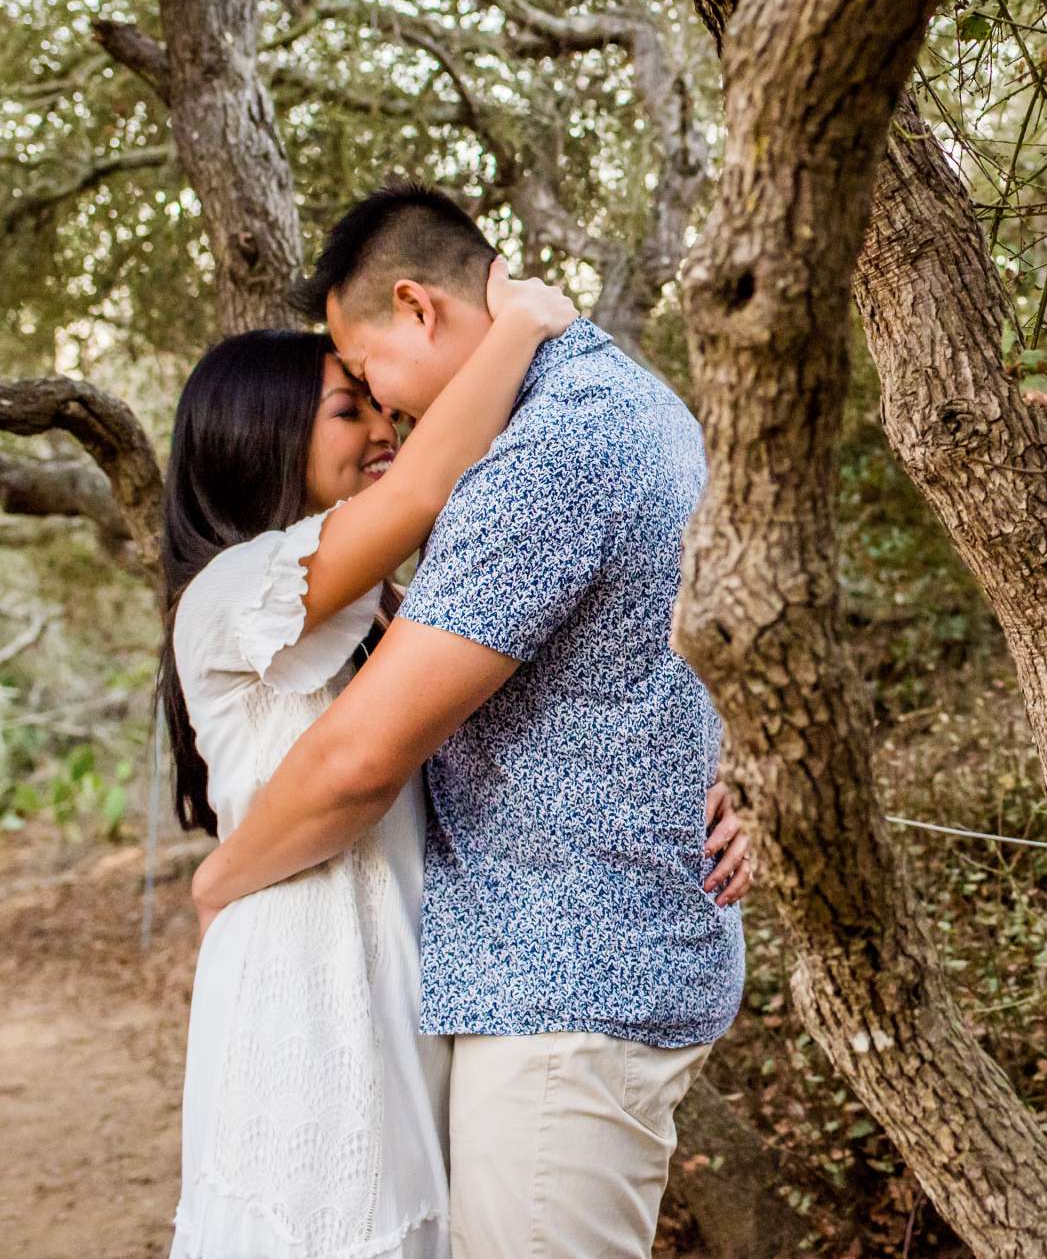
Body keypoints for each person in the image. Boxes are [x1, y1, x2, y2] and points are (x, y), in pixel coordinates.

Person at [188, 183, 748, 1259]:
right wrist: (747, 770)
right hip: (513, 972)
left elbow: (360, 758)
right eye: (351, 402)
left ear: (418, 306)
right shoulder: (628, 407)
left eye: (368, 379)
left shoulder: (552, 452)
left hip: (564, 979)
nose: (384, 413)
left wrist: (214, 878)